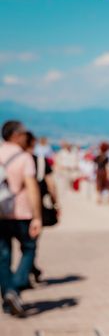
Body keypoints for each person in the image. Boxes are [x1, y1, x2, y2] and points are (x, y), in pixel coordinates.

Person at [0, 121, 42, 317]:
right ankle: (14, 289)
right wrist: (37, 217)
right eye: (24, 133)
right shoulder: (25, 158)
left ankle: (9, 293)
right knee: (29, 248)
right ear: (15, 135)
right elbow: (32, 187)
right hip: (21, 212)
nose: (27, 136)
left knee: (3, 256)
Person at [22, 131, 58, 286]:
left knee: (15, 246)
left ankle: (26, 273)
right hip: (36, 206)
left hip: (12, 208)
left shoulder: (9, 160)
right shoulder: (41, 162)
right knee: (31, 244)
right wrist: (56, 203)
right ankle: (26, 274)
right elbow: (51, 185)